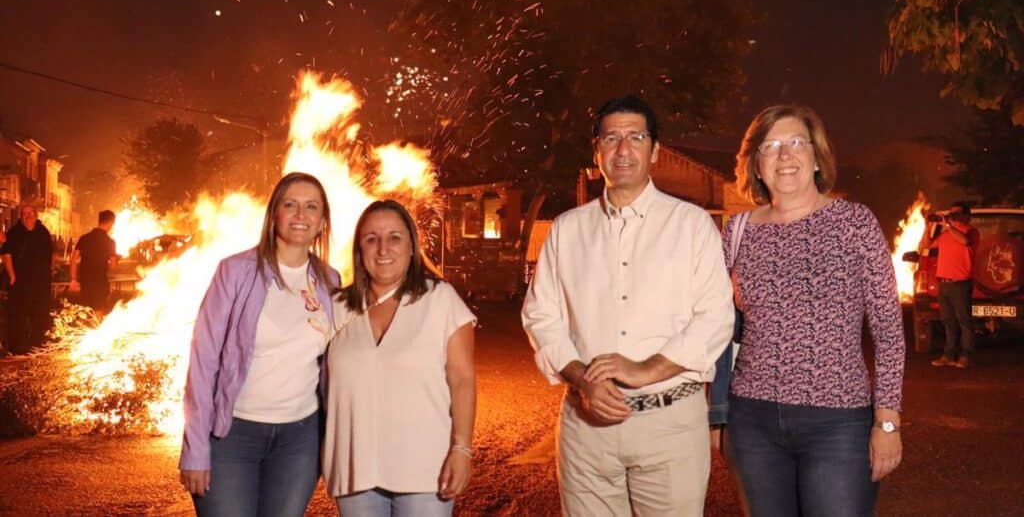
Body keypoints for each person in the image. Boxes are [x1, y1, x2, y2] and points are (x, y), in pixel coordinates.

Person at [521, 95, 735, 516]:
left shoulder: (691, 226)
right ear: (596, 151)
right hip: (587, 428)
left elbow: (714, 319)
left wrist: (644, 370)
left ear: (654, 151)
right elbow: (541, 317)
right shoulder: (567, 230)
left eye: (636, 137)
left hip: (669, 423)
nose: (623, 149)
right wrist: (583, 380)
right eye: (612, 138)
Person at [723, 104, 905, 517]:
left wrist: (887, 422)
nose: (784, 156)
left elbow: (889, 331)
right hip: (752, 420)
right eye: (770, 146)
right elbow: (710, 318)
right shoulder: (737, 231)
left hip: (838, 423)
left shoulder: (855, 223)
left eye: (795, 143)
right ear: (755, 163)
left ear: (817, 155)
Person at [179, 172, 338, 517]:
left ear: (322, 221)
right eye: (290, 204)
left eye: (311, 207)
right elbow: (203, 362)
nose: (301, 214)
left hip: (299, 439)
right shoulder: (235, 272)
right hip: (233, 435)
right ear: (274, 214)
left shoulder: (329, 281)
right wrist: (195, 448)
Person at [322, 199, 476, 517]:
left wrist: (462, 449)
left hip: (425, 470)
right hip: (355, 469)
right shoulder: (336, 307)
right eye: (371, 239)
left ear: (411, 246)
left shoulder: (440, 299)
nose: (383, 249)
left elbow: (462, 380)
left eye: (394, 237)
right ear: (359, 249)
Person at [929, 203, 980, 369]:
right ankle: (949, 355)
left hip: (960, 284)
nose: (952, 215)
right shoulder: (945, 234)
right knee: (948, 322)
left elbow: (965, 241)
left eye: (956, 213)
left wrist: (948, 225)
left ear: (966, 216)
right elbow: (927, 246)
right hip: (944, 283)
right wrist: (927, 225)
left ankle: (967, 355)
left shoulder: (971, 232)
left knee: (964, 321)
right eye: (951, 213)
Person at [0, 202, 55, 354]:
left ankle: (38, 343)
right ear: (21, 216)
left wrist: (50, 272)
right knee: (18, 314)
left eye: (30, 213)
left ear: (36, 215)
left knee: (40, 313)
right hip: (20, 281)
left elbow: (51, 254)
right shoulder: (14, 233)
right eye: (24, 213)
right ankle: (18, 346)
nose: (28, 216)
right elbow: (6, 255)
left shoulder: (43, 232)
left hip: (41, 281)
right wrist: (11, 276)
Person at [69, 209, 118, 313]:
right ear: (111, 223)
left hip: (85, 281)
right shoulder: (110, 242)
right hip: (100, 282)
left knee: (85, 312)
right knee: (98, 312)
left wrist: (73, 279)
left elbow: (74, 259)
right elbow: (113, 266)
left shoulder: (84, 238)